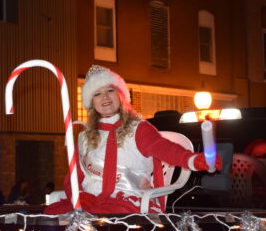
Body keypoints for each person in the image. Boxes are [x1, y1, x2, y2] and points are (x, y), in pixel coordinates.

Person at [45, 65, 222, 214]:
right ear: (91, 102)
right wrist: (78, 197)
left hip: (127, 203)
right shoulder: (84, 137)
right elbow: (73, 179)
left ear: (121, 96)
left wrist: (193, 160)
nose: (105, 97)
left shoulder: (138, 128)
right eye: (97, 94)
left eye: (110, 90)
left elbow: (164, 148)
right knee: (50, 217)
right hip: (90, 202)